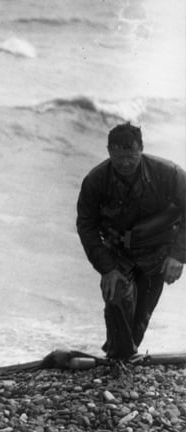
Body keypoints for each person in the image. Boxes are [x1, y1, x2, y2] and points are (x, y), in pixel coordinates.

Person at [76, 123, 185, 361]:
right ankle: (119, 359)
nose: (125, 163)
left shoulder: (168, 173)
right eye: (118, 157)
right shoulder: (95, 181)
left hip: (157, 251)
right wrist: (107, 269)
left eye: (131, 156)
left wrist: (178, 255)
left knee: (140, 319)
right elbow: (86, 226)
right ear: (108, 151)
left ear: (141, 149)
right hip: (118, 253)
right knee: (117, 298)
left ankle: (120, 358)